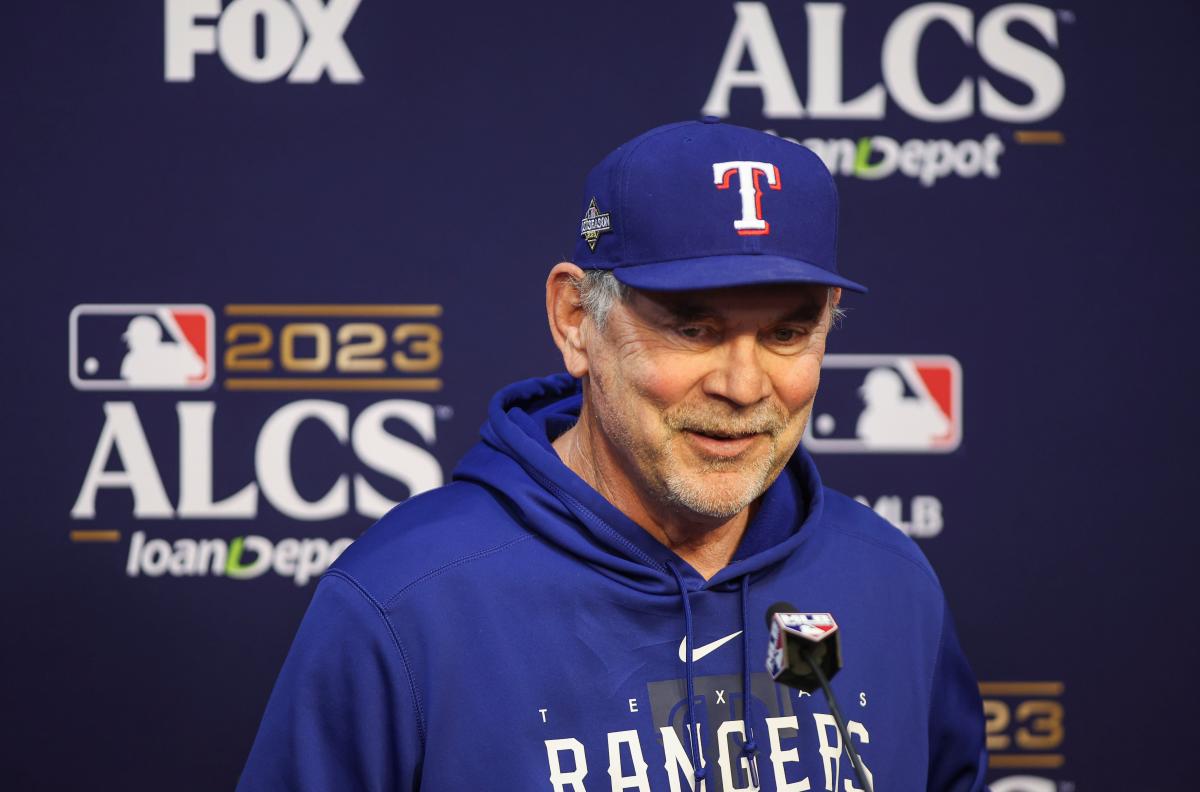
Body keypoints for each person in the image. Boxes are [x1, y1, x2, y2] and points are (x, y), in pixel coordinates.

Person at [237, 119, 987, 791]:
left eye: (786, 335)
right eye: (692, 330)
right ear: (575, 321)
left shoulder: (890, 580)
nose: (742, 384)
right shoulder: (407, 603)